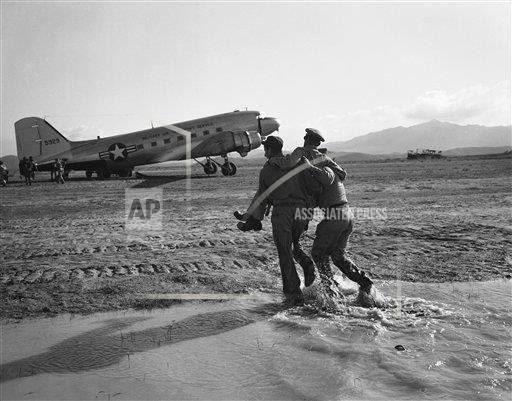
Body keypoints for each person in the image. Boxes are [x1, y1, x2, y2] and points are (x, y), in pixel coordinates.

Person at [237, 136, 314, 306]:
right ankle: (307, 263)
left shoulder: (267, 170)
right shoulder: (298, 163)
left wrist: (255, 218)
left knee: (285, 252)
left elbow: (263, 197)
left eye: (265, 150)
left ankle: (294, 293)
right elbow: (310, 187)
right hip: (303, 210)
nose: (264, 153)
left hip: (283, 212)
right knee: (296, 243)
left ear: (270, 150)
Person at [304, 158, 374, 296]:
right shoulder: (334, 175)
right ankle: (365, 282)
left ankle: (330, 290)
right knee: (338, 256)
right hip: (346, 215)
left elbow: (315, 194)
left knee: (318, 253)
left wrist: (309, 167)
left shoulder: (326, 172)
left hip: (335, 216)